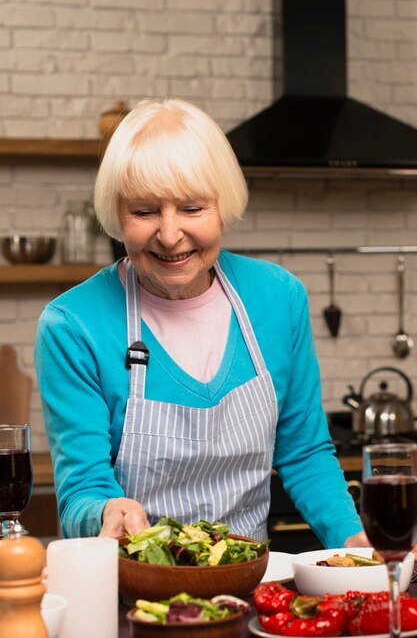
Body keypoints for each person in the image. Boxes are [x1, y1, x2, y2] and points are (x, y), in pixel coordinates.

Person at [35, 97, 364, 549]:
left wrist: (356, 544)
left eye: (192, 209)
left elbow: (305, 453)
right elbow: (81, 492)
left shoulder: (278, 298)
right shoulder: (73, 326)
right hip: (132, 589)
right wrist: (108, 509)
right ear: (116, 214)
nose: (170, 236)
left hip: (250, 588)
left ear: (223, 205)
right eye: (144, 211)